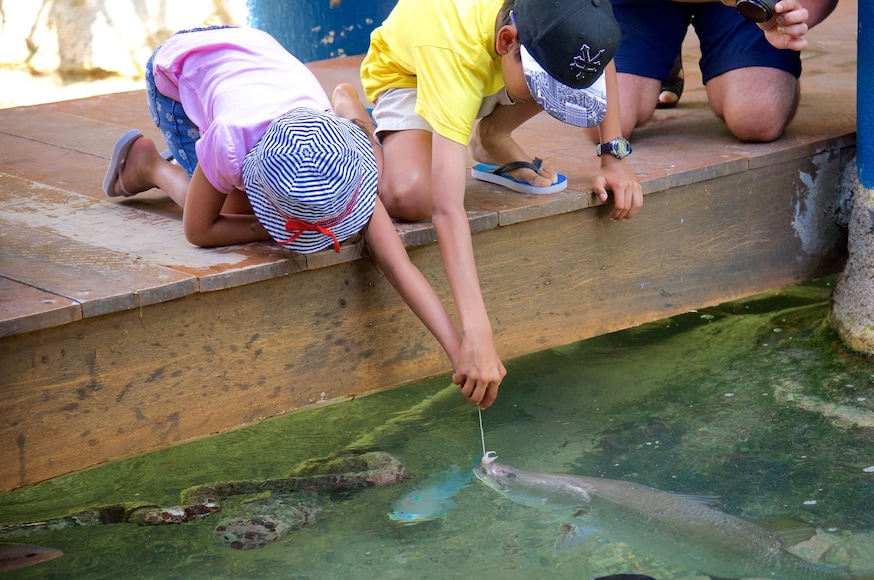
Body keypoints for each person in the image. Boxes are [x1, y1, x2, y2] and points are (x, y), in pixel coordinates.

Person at [100, 26, 495, 407]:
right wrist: (273, 230)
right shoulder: (228, 140)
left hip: (256, 55)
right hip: (180, 68)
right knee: (231, 208)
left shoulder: (338, 165)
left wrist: (460, 351)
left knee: (250, 197)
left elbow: (397, 263)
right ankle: (150, 166)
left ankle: (350, 111)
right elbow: (198, 230)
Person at [359, 0, 644, 409]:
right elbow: (447, 208)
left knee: (550, 69)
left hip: (491, 70)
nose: (554, 102)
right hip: (414, 75)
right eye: (547, 88)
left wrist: (613, 159)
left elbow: (596, 54)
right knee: (412, 197)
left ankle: (491, 136)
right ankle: (353, 120)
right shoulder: (452, 48)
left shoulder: (565, 18)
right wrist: (477, 333)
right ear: (507, 39)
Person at [610, 0, 839, 143]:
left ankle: (658, 54)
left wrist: (787, 16)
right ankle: (662, 55)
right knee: (608, 120)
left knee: (757, 117)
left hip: (742, 3)